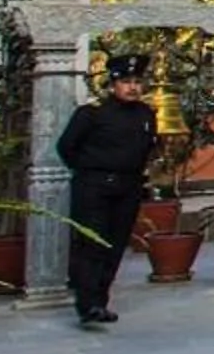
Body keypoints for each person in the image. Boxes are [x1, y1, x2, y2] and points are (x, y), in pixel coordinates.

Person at [56, 51, 158, 330]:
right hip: (94, 187)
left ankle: (100, 300)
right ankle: (88, 303)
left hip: (128, 186)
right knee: (92, 243)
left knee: (115, 245)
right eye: (126, 81)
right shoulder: (92, 113)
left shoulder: (146, 114)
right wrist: (90, 171)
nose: (132, 87)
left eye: (137, 81)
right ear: (113, 84)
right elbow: (66, 147)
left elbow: (148, 148)